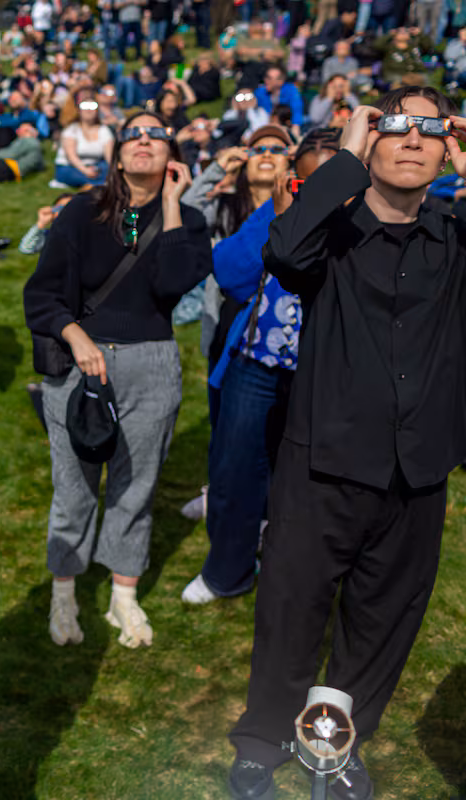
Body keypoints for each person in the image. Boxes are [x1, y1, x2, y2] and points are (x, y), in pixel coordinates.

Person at [227, 88, 466, 800]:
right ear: (369, 139)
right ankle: (263, 741)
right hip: (323, 460)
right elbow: (282, 251)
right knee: (291, 611)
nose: (413, 140)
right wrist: (348, 157)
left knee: (384, 621)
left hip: (417, 469)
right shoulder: (330, 231)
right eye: (396, 126)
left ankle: (333, 745)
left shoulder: (455, 235)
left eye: (431, 129)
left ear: (448, 149)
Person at [22, 112, 212, 649]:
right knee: (73, 487)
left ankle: (123, 596)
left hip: (152, 363)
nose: (144, 140)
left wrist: (171, 205)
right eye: (133, 134)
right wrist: (76, 337)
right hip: (79, 364)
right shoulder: (83, 211)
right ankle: (64, 591)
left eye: (156, 134)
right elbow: (42, 294)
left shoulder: (189, 221)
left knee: (136, 486)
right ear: (119, 154)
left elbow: (172, 284)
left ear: (172, 154)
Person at [182, 128, 342, 607]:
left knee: (309, 478)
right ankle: (227, 571)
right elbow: (230, 273)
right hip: (256, 359)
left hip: (323, 369)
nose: (318, 194)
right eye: (306, 183)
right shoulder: (276, 209)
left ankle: (293, 571)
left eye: (332, 183)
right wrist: (277, 214)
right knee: (234, 468)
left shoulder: (362, 222)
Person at [50, 91, 115, 188]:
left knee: (106, 168)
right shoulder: (71, 130)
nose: (89, 110)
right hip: (71, 166)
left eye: (92, 106)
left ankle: (98, 183)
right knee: (70, 174)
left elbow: (109, 157)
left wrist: (113, 170)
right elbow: (71, 157)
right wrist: (85, 170)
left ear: (97, 110)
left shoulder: (104, 130)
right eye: (85, 106)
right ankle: (99, 184)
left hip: (95, 166)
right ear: (79, 110)